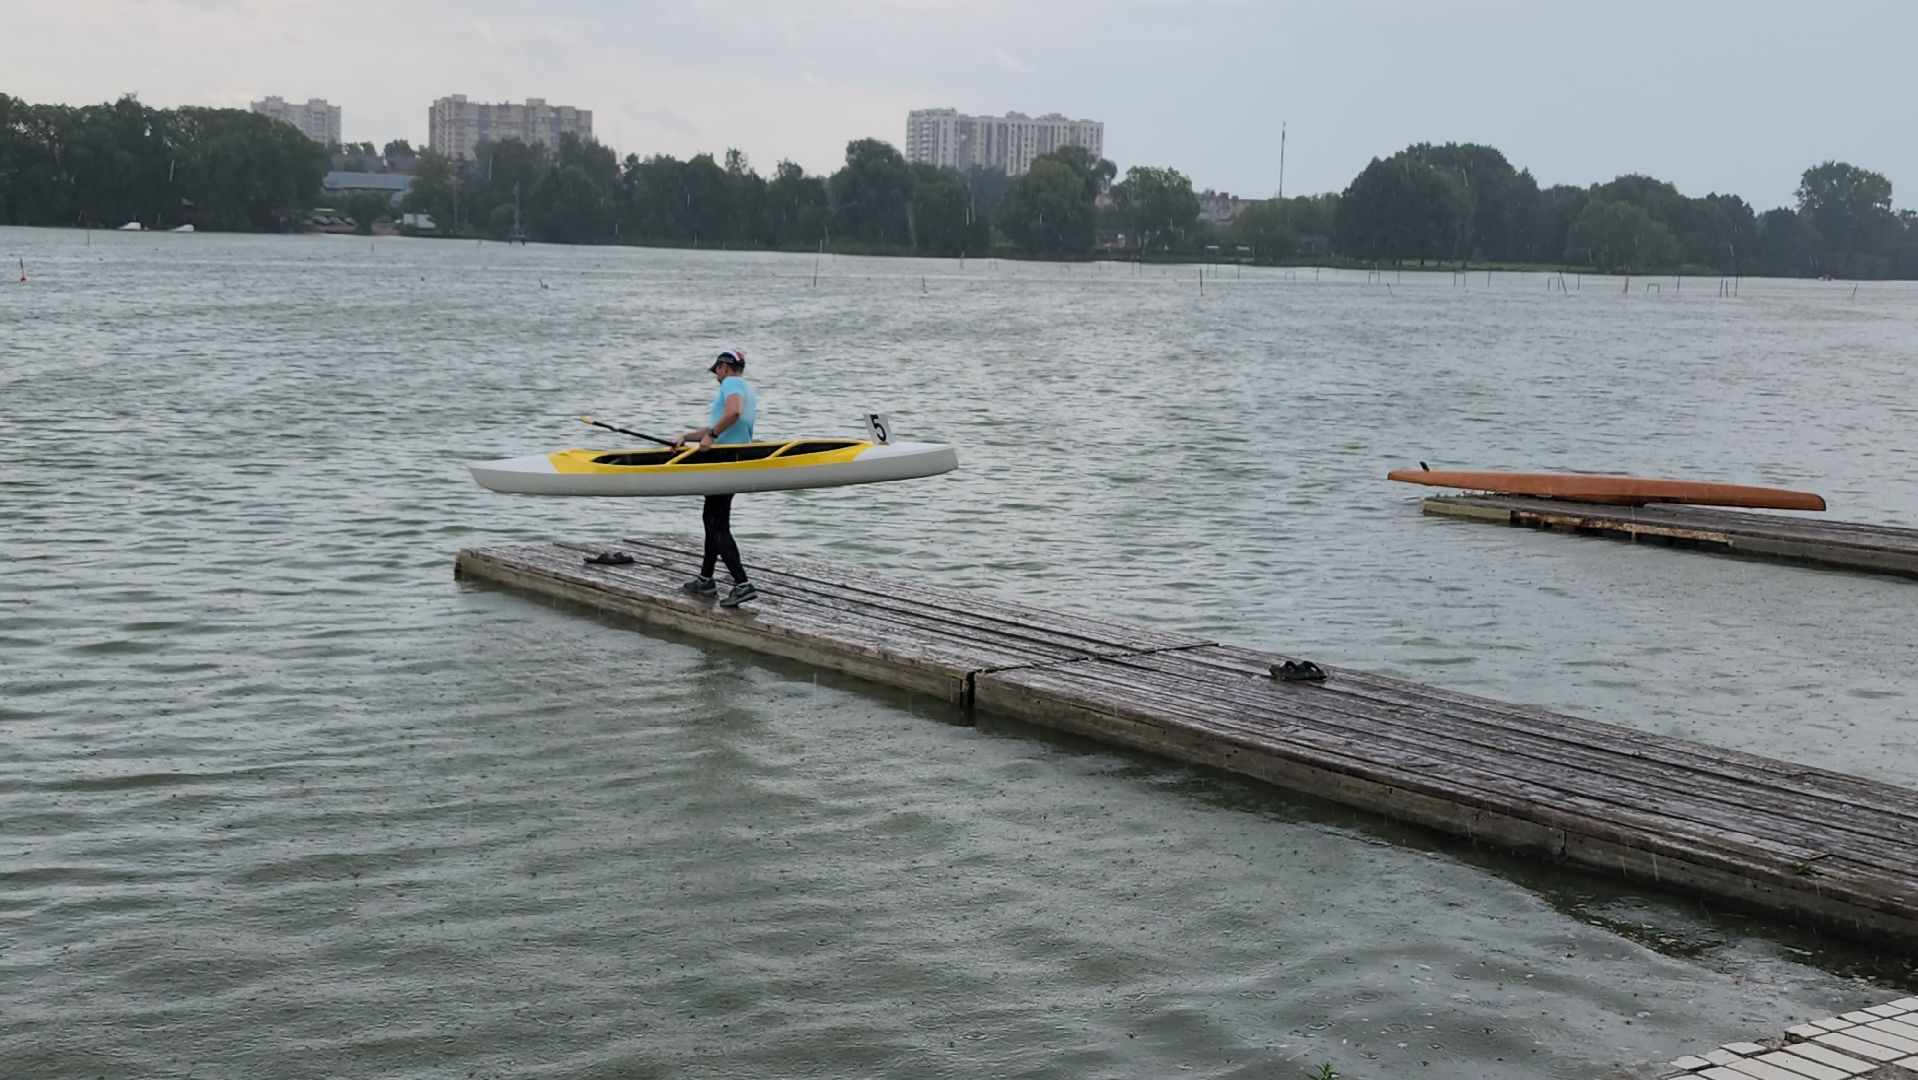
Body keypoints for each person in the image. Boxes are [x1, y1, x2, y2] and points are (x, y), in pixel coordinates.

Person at [675, 348, 759, 607]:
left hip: (725, 459)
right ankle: (705, 580)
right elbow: (726, 421)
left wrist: (711, 436)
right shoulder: (746, 387)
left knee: (716, 523)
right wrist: (687, 437)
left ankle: (742, 583)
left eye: (717, 371)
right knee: (713, 518)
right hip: (733, 458)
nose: (716, 376)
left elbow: (732, 414)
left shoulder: (731, 383)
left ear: (724, 367)